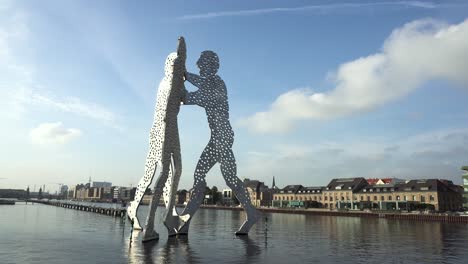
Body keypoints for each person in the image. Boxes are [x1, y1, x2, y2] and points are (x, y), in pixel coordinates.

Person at [179, 50, 258, 235]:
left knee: (200, 175)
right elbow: (199, 82)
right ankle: (252, 214)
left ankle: (184, 221)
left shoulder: (216, 85)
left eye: (201, 63)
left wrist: (182, 92)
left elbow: (198, 98)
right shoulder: (212, 81)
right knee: (231, 179)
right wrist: (185, 75)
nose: (198, 64)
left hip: (221, 137)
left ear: (210, 65)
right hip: (222, 136)